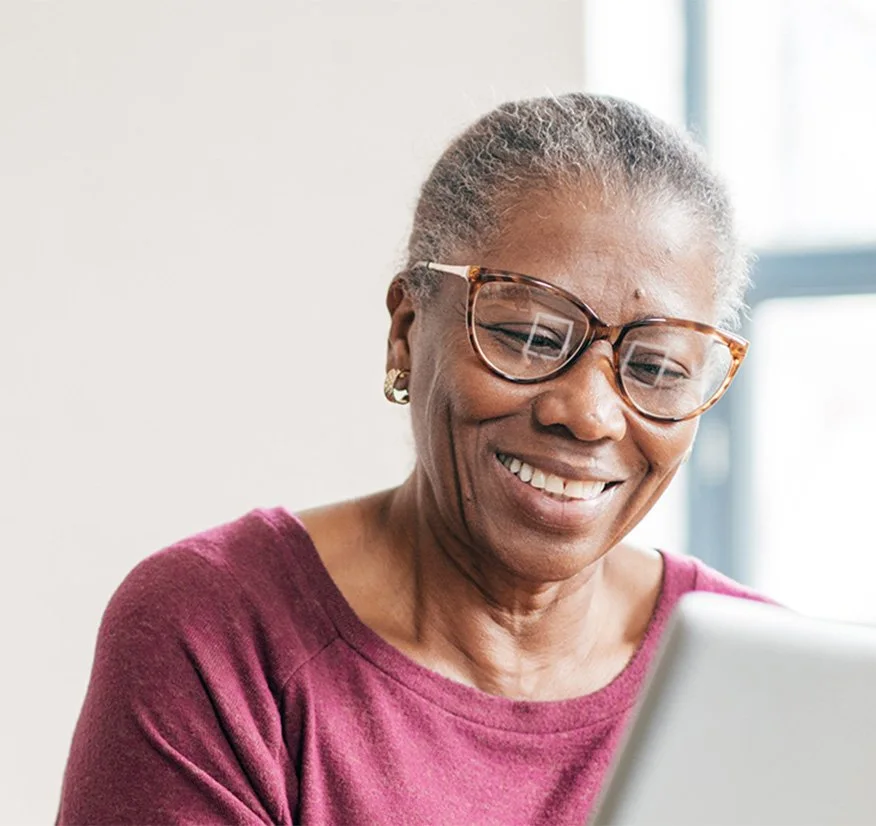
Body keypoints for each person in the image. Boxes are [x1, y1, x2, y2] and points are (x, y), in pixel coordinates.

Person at [58, 93, 771, 825]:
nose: (589, 414)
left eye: (656, 368)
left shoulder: (763, 679)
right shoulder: (220, 636)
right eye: (528, 336)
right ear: (406, 331)